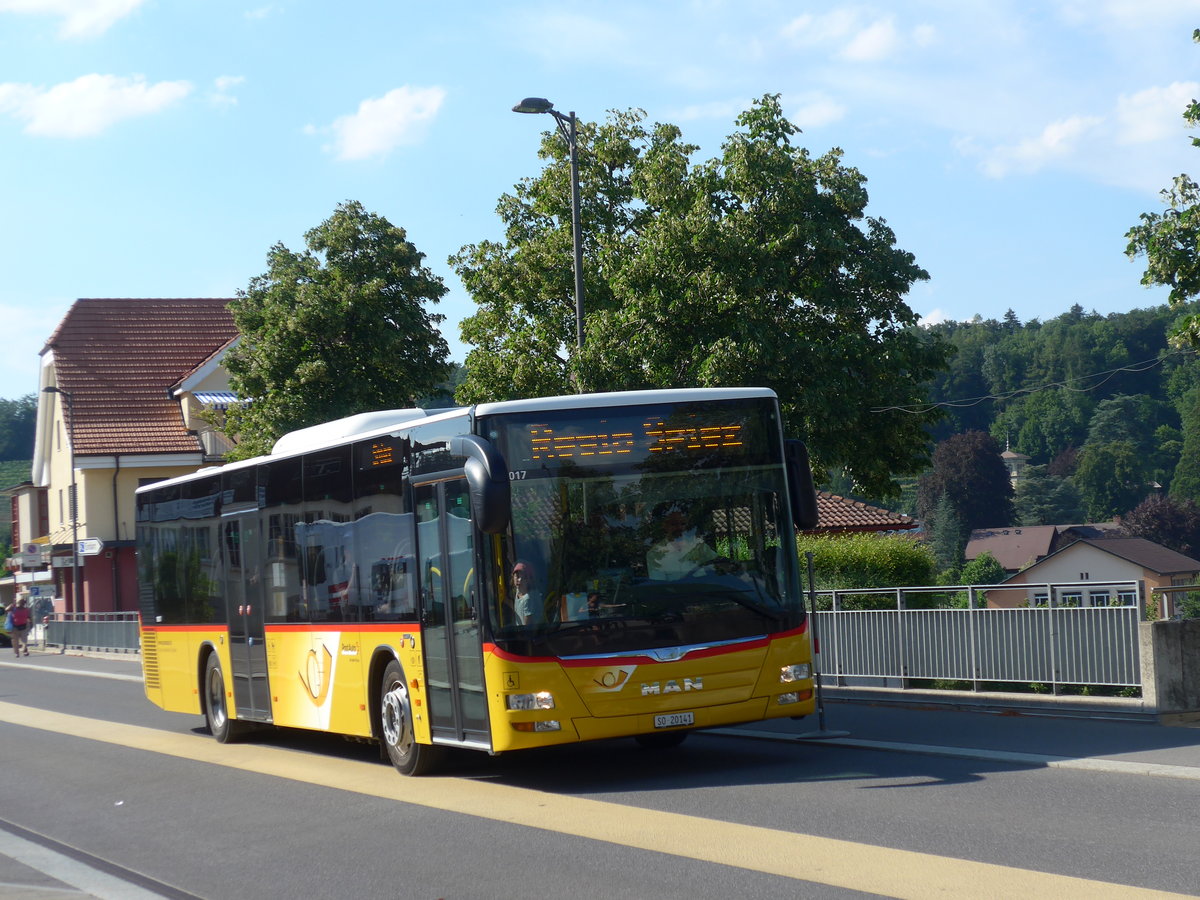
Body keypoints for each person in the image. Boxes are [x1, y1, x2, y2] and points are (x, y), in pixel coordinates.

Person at [646, 503, 717, 580]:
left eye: (682, 523)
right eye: (674, 524)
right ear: (665, 526)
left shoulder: (699, 546)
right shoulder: (655, 554)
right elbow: (660, 586)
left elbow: (716, 566)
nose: (679, 527)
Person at [511, 561, 545, 625]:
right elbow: (517, 606)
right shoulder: (518, 591)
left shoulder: (528, 599)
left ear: (529, 580)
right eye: (517, 576)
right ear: (513, 577)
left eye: (524, 577)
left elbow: (527, 627)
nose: (520, 579)